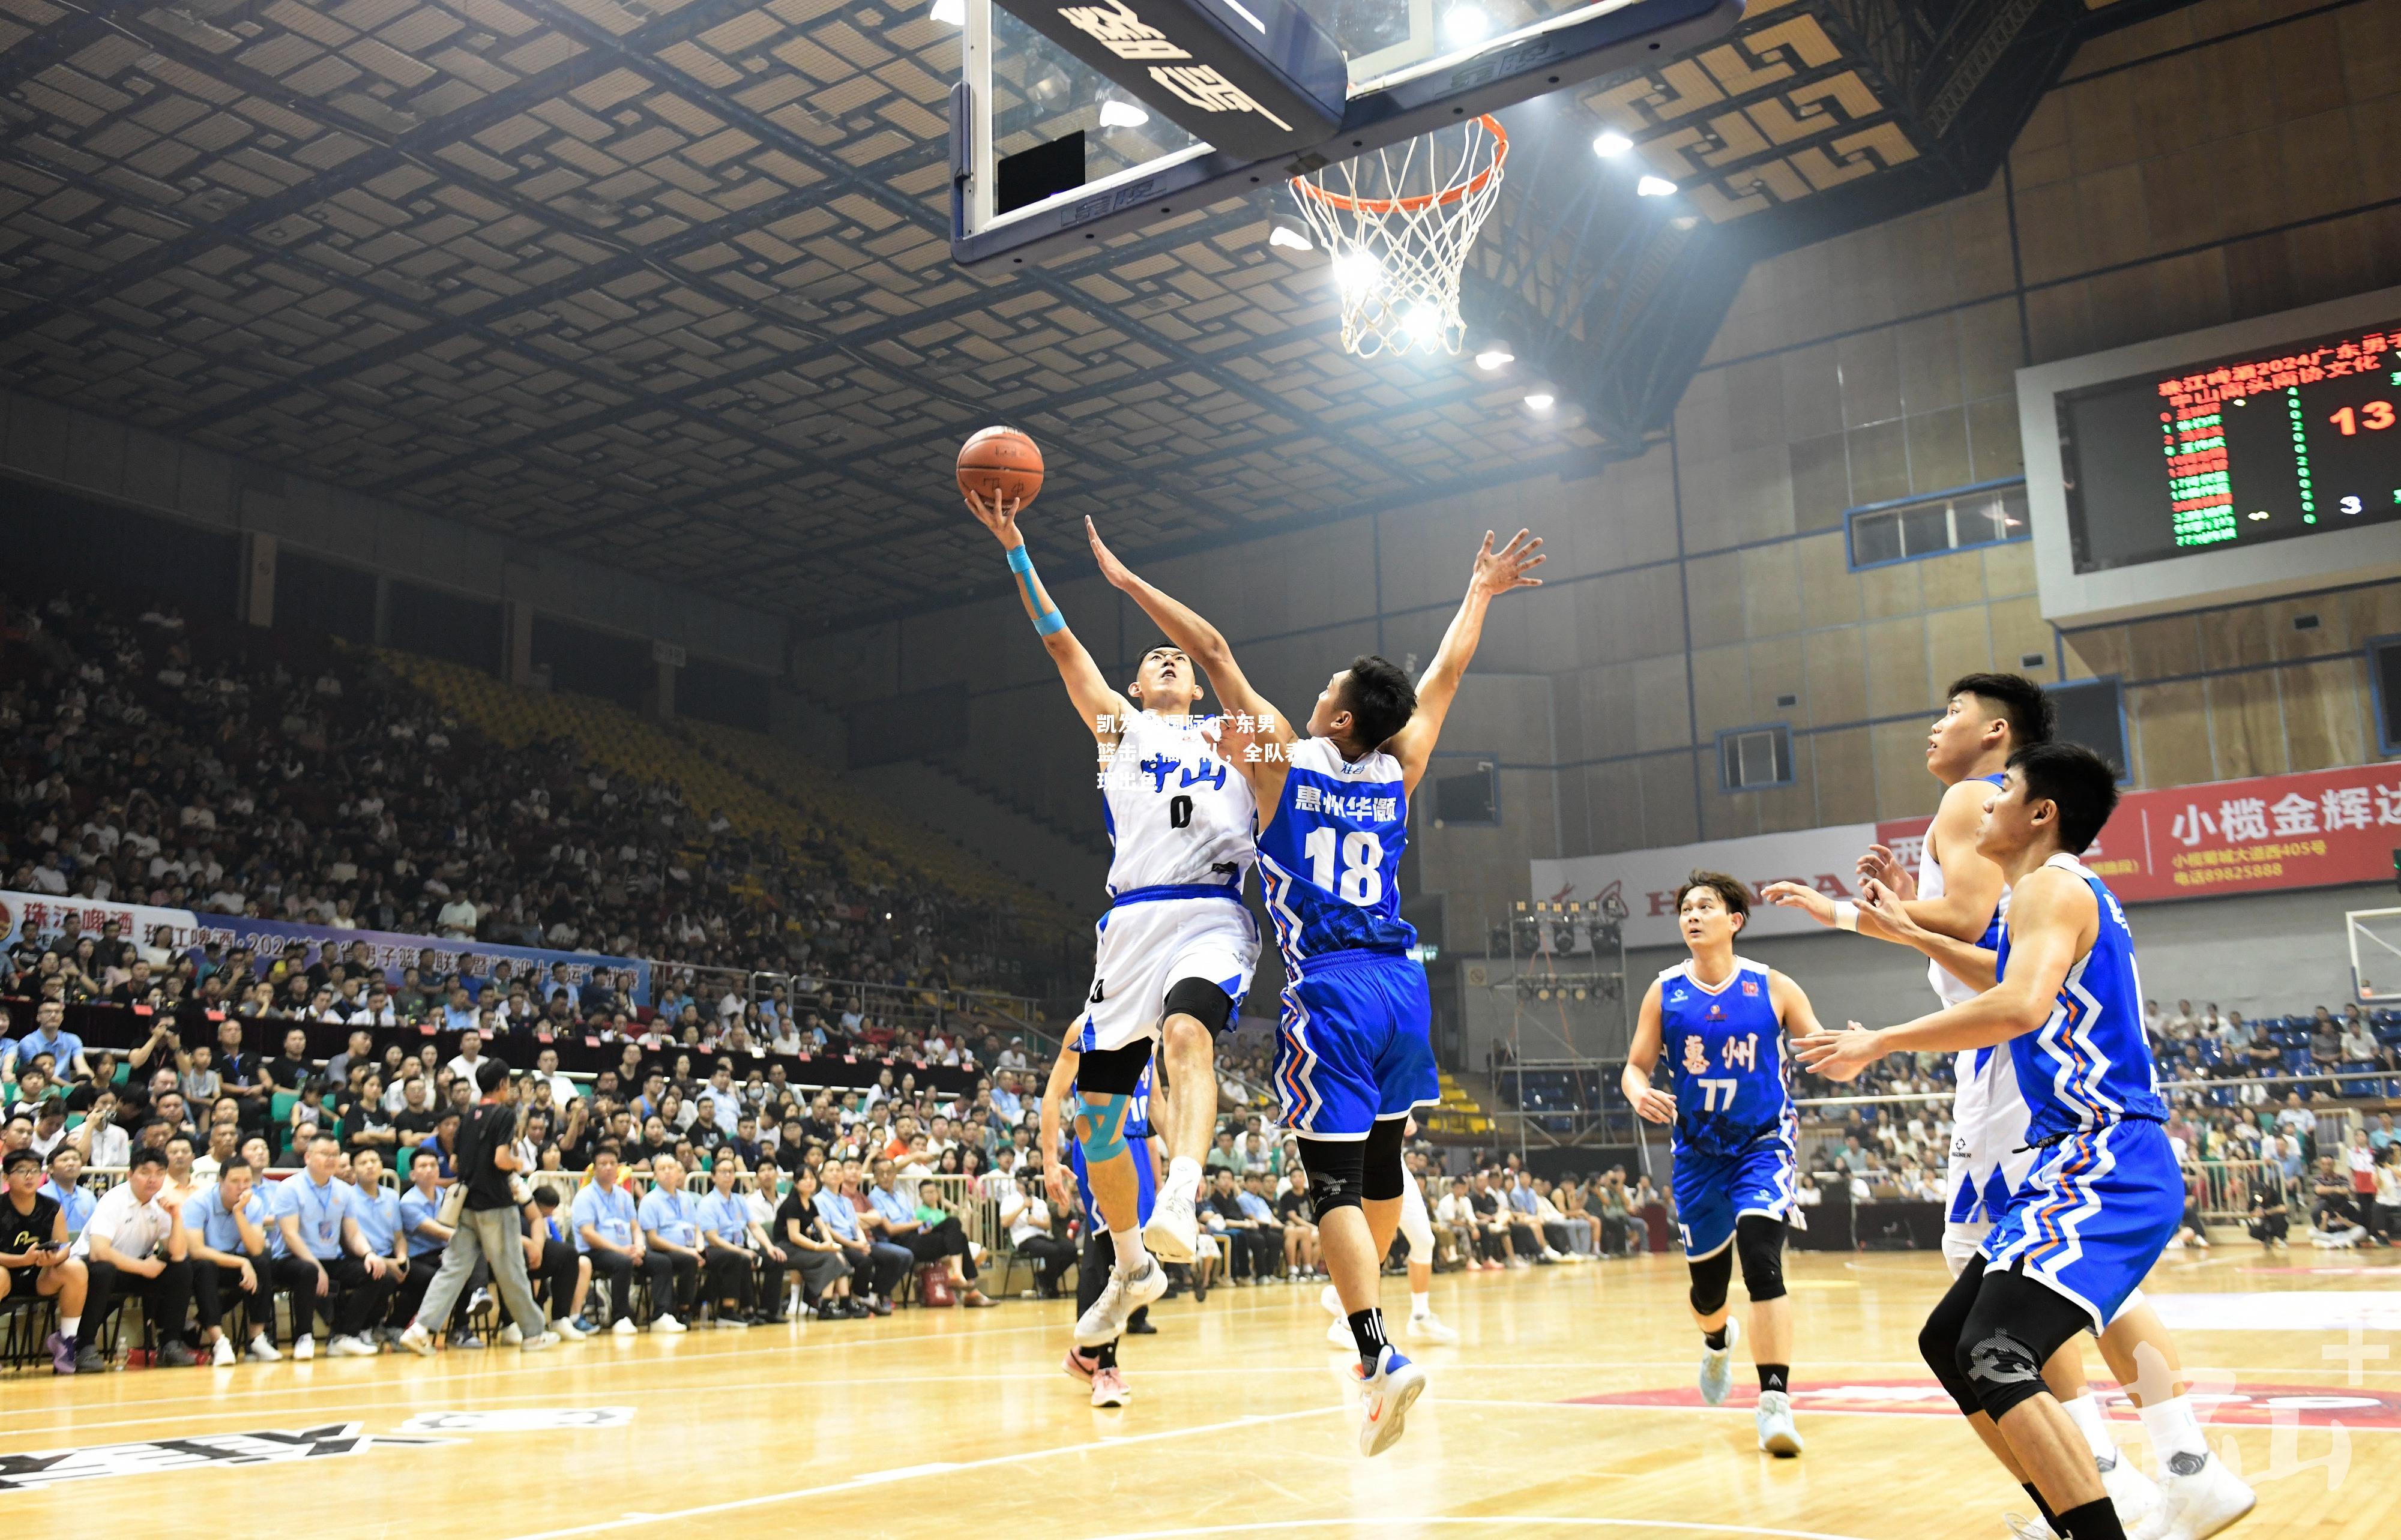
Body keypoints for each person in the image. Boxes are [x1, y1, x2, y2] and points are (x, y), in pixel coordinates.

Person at [1088, 517, 1542, 1455]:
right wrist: (1479, 594)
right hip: (1403, 988)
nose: (1321, 687)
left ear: (1337, 717)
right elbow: (1445, 678)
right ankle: (1363, 1309)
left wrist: (1130, 582)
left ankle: (1376, 1352)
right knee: (1382, 1171)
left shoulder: (1279, 755)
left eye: (1332, 686)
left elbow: (1211, 653)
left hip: (1331, 987)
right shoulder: (1398, 769)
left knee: (1328, 1179)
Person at [1766, 675, 2190, 1536]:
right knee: (1952, 1342)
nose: (1987, 804)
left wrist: (1879, 1039)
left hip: (2103, 1154)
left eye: (2007, 793)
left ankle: (2126, 1494)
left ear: (2039, 814)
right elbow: (1994, 969)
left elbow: (2018, 1006)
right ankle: (2113, 1490)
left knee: (1998, 1352)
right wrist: (1885, 921)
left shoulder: (2045, 885)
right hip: (2081, 1153)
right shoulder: (2051, 893)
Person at [968, 488, 1259, 1296]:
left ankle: (1184, 1194)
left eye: (1181, 664)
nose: (1172, 661)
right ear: (1134, 686)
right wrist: (1015, 549)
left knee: (1187, 1037)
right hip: (1130, 923)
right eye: (1155, 660)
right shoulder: (1120, 730)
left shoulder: (1239, 736)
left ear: (1197, 689)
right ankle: (1132, 1261)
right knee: (1099, 1117)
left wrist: (1135, 585)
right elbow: (1059, 643)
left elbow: (1218, 650)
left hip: (1209, 909)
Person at [1622, 871, 1826, 1457]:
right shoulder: (1664, 991)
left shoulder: (1774, 987)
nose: (1691, 914)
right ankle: (1717, 1339)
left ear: (1733, 920)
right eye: (1685, 907)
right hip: (1697, 1156)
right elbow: (1634, 1066)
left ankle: (1774, 1402)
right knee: (1708, 1292)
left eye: (1705, 906)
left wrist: (1850, 1052)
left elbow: (1821, 1052)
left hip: (1762, 1144)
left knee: (1762, 1258)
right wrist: (1638, 1092)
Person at [396, 1061, 556, 1354]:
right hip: (495, 1203)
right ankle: (533, 1333)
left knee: (453, 1269)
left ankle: (420, 1329)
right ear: (504, 1084)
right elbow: (500, 1160)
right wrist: (518, 1163)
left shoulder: (466, 1118)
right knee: (512, 1270)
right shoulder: (504, 1115)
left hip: (466, 1205)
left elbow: (455, 1163)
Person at [1043, 1038, 1159, 1408]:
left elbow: (1156, 1105)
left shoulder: (1152, 1036)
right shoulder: (1087, 1028)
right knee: (1115, 1260)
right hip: (1101, 1145)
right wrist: (1049, 1160)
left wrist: (1187, 1167)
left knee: (1136, 1259)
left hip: (1138, 1147)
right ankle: (1105, 1369)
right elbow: (1052, 1096)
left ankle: (1086, 1355)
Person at [69, 1146, 196, 1370]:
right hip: (89, 1268)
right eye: (145, 1172)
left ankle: (170, 1344)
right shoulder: (113, 1199)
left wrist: (176, 1217)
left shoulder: (161, 1204)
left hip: (133, 1267)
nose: (153, 1179)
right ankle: (84, 1347)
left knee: (182, 1268)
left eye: (159, 1173)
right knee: (104, 1269)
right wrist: (144, 1267)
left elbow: (178, 1253)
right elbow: (99, 1251)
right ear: (130, 1175)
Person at [182, 1155, 283, 1364]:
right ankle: (219, 1342)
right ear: (221, 1181)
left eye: (247, 1181)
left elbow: (255, 1249)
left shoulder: (252, 1203)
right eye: (235, 1182)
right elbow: (196, 1250)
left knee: (262, 1261)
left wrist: (239, 1212)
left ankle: (257, 1338)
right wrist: (242, 1263)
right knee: (206, 1267)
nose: (242, 1187)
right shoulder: (198, 1202)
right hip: (200, 1265)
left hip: (230, 1262)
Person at [1, 1146, 89, 1374]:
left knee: (75, 1268)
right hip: (7, 1273)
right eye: (21, 1171)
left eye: (34, 1170)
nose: (29, 1176)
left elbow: (64, 1247)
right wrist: (23, 1259)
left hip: (40, 1275)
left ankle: (67, 1341)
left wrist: (54, 1258)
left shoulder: (51, 1207)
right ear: (6, 1177)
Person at [698, 1157, 782, 1326]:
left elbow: (754, 1226)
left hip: (739, 1247)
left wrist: (770, 1247)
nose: (728, 1175)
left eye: (731, 1172)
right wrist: (741, 1251)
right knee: (740, 1258)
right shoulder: (708, 1203)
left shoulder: (739, 1200)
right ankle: (732, 1311)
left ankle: (767, 1310)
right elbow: (713, 1238)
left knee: (775, 1259)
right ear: (713, 1177)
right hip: (715, 1250)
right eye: (723, 1172)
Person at [776, 1167, 860, 1317]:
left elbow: (822, 1227)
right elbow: (794, 1236)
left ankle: (845, 1301)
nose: (809, 1182)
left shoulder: (810, 1203)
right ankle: (826, 1305)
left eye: (812, 1178)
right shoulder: (793, 1204)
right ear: (796, 1183)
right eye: (804, 1178)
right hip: (786, 1248)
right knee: (829, 1258)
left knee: (835, 1254)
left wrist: (831, 1245)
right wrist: (820, 1247)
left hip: (801, 1246)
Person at [636, 1155, 703, 1329]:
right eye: (662, 1169)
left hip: (689, 1249)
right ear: (654, 1175)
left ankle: (692, 1309)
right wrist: (686, 1251)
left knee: (718, 1258)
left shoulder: (687, 1198)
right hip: (660, 1251)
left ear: (679, 1173)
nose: (667, 1172)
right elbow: (653, 1239)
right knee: (684, 1261)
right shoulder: (649, 1201)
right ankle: (673, 1312)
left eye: (671, 1168)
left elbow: (697, 1228)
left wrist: (699, 1249)